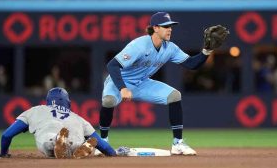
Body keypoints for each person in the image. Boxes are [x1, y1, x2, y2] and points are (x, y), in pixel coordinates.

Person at [98, 12, 229, 155]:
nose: (170, 29)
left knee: (174, 96)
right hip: (121, 81)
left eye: (171, 26)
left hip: (142, 83)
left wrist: (206, 51)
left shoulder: (170, 48)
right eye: (166, 26)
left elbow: (192, 64)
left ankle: (178, 143)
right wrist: (122, 88)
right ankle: (103, 142)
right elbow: (112, 66)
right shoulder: (139, 45)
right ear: (155, 28)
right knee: (109, 100)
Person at [0, 87, 120, 159]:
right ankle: (77, 146)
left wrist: (3, 154)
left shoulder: (36, 110)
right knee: (77, 142)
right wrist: (113, 153)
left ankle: (57, 141)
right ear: (67, 102)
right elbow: (103, 146)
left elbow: (6, 135)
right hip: (75, 140)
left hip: (48, 139)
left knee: (49, 143)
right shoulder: (79, 118)